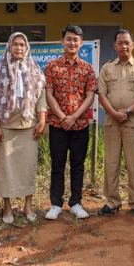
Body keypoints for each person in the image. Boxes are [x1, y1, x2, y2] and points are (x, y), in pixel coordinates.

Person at [0, 33, 47, 224]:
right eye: (15, 44)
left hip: (29, 126)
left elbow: (41, 96)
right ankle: (7, 207)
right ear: (9, 46)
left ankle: (28, 205)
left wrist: (42, 120)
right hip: (6, 126)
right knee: (6, 169)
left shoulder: (34, 68)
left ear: (26, 47)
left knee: (28, 167)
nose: (19, 48)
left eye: (22, 45)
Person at [97, 29, 134, 219]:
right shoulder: (107, 68)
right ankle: (112, 201)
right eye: (120, 43)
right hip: (112, 122)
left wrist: (128, 111)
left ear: (133, 45)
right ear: (115, 46)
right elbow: (101, 94)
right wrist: (114, 113)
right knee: (111, 163)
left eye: (127, 43)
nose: (123, 46)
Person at [44, 25, 98, 220]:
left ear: (81, 43)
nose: (72, 42)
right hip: (57, 125)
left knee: (78, 165)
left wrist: (74, 117)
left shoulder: (87, 68)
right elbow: (49, 94)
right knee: (57, 165)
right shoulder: (52, 66)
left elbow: (90, 96)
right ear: (62, 41)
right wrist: (62, 117)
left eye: (76, 39)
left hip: (80, 125)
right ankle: (56, 204)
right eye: (68, 39)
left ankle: (76, 202)